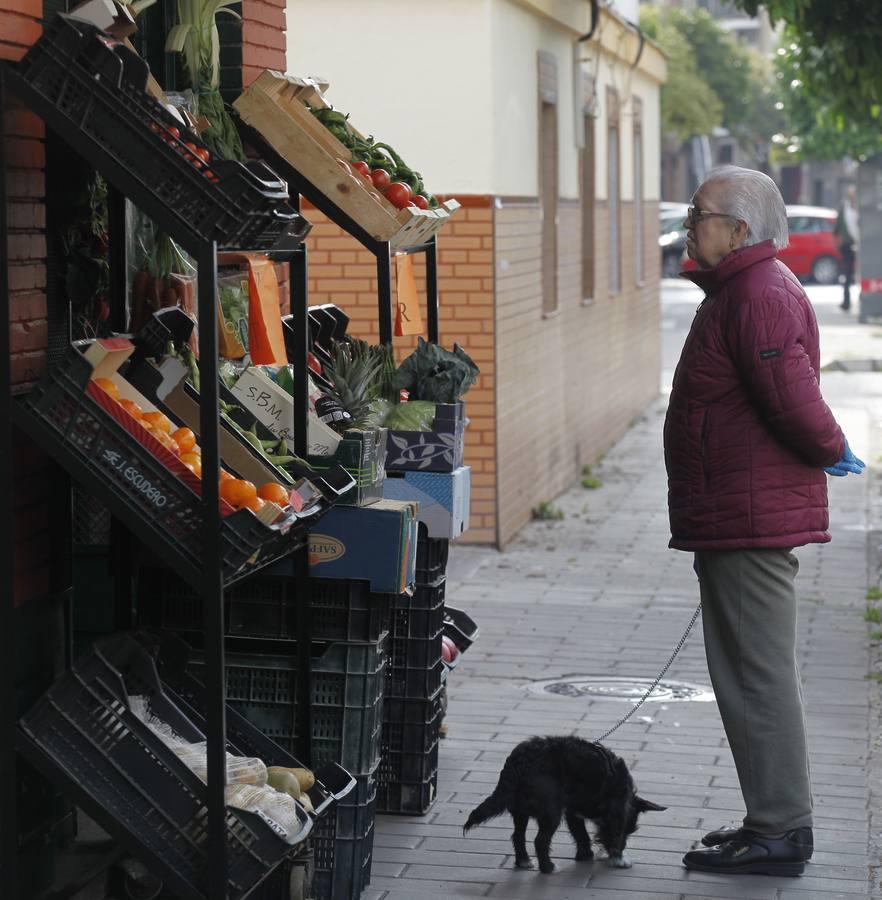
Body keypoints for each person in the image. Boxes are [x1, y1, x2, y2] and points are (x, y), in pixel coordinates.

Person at [666, 165, 865, 877]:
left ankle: (781, 831)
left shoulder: (759, 293)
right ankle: (769, 819)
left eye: (699, 213)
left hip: (749, 519)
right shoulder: (744, 290)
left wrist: (833, 447)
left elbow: (793, 398)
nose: (690, 224)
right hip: (735, 514)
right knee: (747, 673)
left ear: (739, 229)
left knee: (756, 677)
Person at [834, 185, 859, 310]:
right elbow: (837, 227)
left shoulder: (861, 207)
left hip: (861, 244)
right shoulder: (844, 207)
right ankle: (846, 301)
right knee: (848, 274)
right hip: (847, 245)